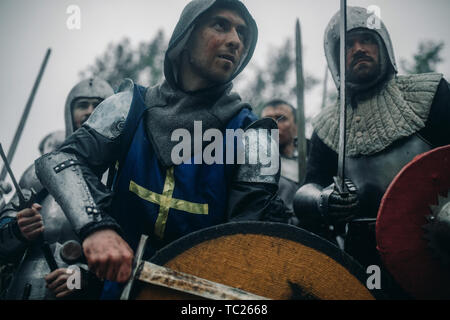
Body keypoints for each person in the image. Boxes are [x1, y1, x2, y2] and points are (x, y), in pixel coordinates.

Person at [35, 0, 288, 299]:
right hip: (117, 291)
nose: (235, 40)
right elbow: (60, 160)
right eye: (221, 25)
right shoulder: (128, 106)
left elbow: (245, 242)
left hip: (201, 299)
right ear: (186, 35)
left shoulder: (256, 137)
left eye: (243, 33)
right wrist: (96, 227)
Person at [293, 6, 450, 271]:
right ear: (336, 57)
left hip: (438, 239)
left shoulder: (430, 93)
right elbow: (308, 189)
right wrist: (324, 199)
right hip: (364, 254)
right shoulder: (327, 124)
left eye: (366, 39)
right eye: (348, 44)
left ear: (383, 45)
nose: (358, 49)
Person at [0, 77, 114, 300]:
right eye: (82, 105)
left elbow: (129, 252)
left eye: (98, 105)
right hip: (24, 290)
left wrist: (80, 279)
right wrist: (19, 229)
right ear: (69, 112)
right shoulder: (38, 172)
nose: (89, 112)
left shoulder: (119, 175)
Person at [261, 99, 301, 223]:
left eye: (281, 118)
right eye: (267, 119)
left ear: (296, 127)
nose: (273, 124)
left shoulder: (311, 161)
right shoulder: (251, 165)